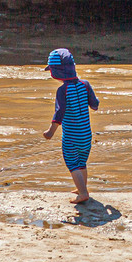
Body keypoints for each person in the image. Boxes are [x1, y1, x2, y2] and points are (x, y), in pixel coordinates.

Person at [42, 48, 100, 203]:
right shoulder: (85, 84)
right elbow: (94, 104)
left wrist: (50, 132)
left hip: (71, 136)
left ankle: (83, 193)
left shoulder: (63, 90)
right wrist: (94, 106)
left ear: (57, 72)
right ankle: (83, 187)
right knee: (82, 162)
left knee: (72, 163)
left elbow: (59, 114)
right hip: (86, 135)